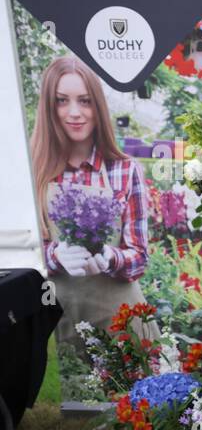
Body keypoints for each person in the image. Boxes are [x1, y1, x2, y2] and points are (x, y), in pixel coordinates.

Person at [29, 54, 157, 352]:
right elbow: (22, 255)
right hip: (57, 326)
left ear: (97, 106)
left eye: (85, 101)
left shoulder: (125, 170)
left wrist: (110, 258)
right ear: (49, 106)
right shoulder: (31, 172)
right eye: (62, 100)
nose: (74, 112)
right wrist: (55, 255)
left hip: (122, 325)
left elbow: (139, 256)